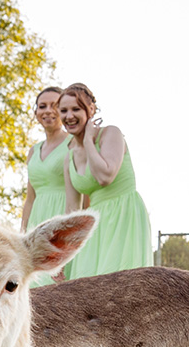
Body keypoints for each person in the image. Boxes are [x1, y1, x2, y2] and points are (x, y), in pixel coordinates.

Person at [52, 83, 153, 279]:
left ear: (91, 110)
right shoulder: (69, 157)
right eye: (63, 111)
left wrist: (89, 140)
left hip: (123, 215)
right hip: (95, 224)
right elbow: (72, 209)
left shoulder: (111, 134)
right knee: (88, 285)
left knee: (120, 283)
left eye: (76, 109)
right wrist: (61, 253)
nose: (69, 116)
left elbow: (104, 177)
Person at [18, 86, 75, 286]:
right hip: (38, 219)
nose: (48, 111)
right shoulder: (33, 151)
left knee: (64, 287)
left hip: (63, 214)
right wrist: (23, 236)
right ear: (35, 113)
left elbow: (81, 193)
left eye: (55, 105)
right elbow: (30, 198)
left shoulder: (73, 143)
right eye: (42, 106)